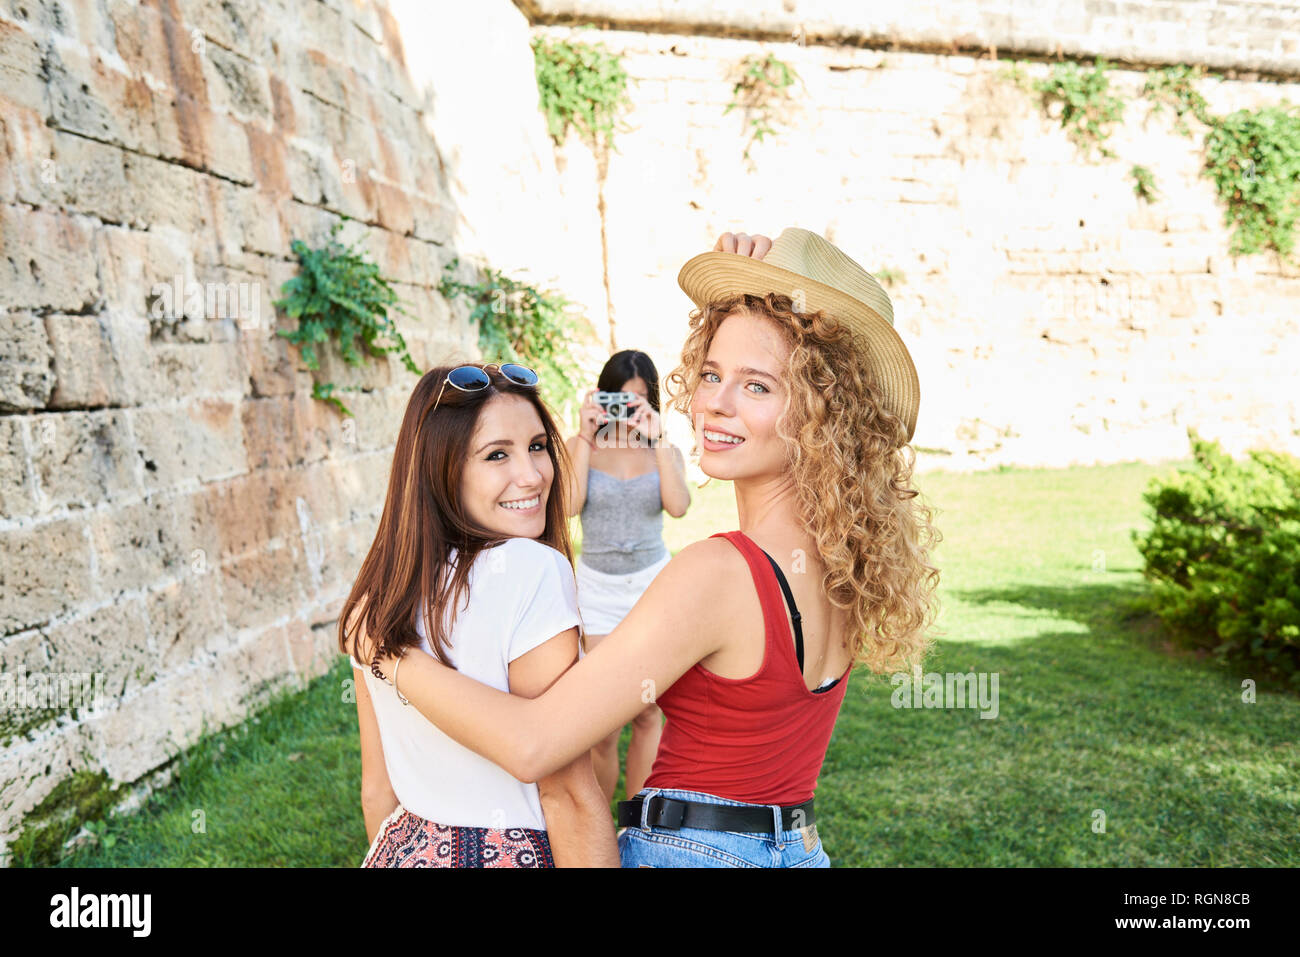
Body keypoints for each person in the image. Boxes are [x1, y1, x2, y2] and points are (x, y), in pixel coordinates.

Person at [361, 228, 942, 867]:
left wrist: (391, 655)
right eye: (712, 373)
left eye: (757, 387)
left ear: (822, 413)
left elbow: (534, 745)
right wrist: (751, 291)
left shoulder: (717, 575)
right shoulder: (846, 564)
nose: (713, 404)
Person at [340, 362, 618, 867]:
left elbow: (377, 793)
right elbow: (568, 796)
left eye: (537, 446)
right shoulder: (532, 570)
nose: (533, 475)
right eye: (497, 455)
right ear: (440, 468)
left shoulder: (380, 594)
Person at [566, 350, 691, 802]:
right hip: (597, 589)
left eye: (638, 401)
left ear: (651, 402)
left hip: (651, 588)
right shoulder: (580, 446)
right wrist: (584, 435)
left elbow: (678, 507)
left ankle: (635, 823)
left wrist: (657, 441)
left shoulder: (663, 449)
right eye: (619, 399)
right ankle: (597, 823)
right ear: (602, 397)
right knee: (602, 724)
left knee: (647, 714)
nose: (627, 410)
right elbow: (566, 507)